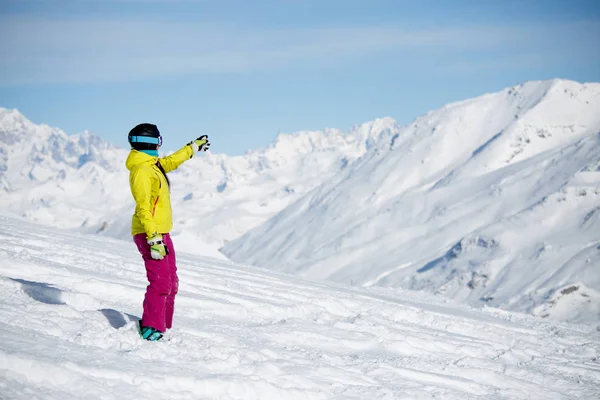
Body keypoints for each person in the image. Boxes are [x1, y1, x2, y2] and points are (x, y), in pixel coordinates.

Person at [125, 123, 210, 341]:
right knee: (161, 282)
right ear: (152, 142)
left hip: (162, 233)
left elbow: (170, 162)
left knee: (171, 283)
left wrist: (192, 148)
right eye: (159, 139)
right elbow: (143, 206)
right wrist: (153, 239)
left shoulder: (152, 164)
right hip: (150, 235)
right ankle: (151, 327)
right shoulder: (142, 170)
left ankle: (164, 326)